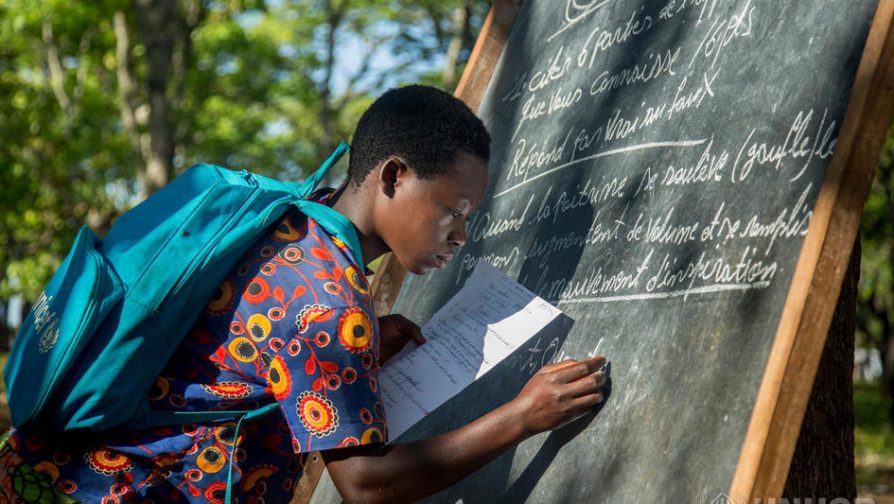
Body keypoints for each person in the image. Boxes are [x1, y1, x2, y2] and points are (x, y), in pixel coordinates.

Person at [0, 85, 607, 503]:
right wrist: (523, 416)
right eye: (453, 209)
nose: (461, 234)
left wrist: (359, 353)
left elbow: (242, 359)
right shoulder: (327, 298)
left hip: (47, 470)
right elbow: (367, 484)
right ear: (393, 176)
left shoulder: (294, 218)